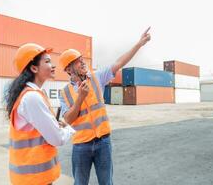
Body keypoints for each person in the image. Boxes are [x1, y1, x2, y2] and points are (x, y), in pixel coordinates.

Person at [58, 28, 151, 185]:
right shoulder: (65, 92)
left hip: (103, 143)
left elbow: (119, 62)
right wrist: (80, 98)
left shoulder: (97, 77)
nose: (82, 62)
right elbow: (67, 120)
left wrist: (139, 44)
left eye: (82, 59)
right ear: (68, 69)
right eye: (77, 60)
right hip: (81, 146)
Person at [5, 43, 75, 185]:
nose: (53, 65)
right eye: (48, 61)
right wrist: (69, 129)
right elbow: (57, 139)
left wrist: (55, 125)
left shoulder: (30, 94)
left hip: (30, 178)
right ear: (34, 68)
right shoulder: (32, 97)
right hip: (34, 179)